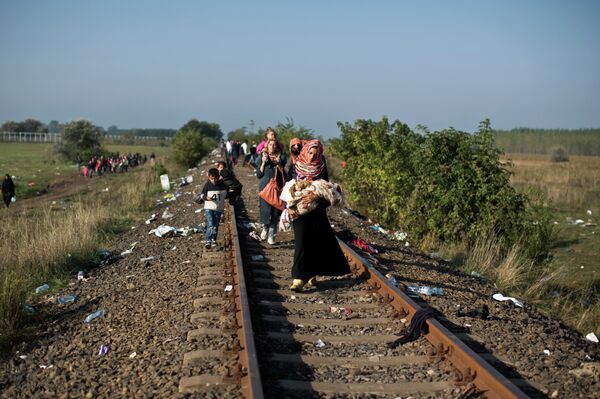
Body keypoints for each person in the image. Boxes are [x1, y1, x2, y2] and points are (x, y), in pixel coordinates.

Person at [288, 140, 349, 291]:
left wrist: (316, 197)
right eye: (310, 153)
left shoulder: (321, 168)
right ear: (305, 152)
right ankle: (297, 278)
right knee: (301, 241)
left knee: (314, 242)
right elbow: (287, 188)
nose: (312, 157)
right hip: (299, 211)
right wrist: (288, 207)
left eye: (315, 154)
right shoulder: (295, 167)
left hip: (316, 211)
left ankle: (311, 273)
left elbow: (328, 191)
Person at [257, 139, 286, 245]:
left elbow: (283, 172)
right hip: (265, 188)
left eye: (274, 144)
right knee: (265, 211)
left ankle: (271, 235)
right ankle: (265, 227)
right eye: (270, 144)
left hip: (277, 188)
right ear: (267, 146)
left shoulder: (281, 157)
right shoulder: (262, 157)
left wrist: (279, 163)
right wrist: (263, 163)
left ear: (277, 146)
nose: (272, 146)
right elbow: (259, 175)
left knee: (275, 212)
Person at [199, 168, 227, 249]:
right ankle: (208, 240)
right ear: (209, 178)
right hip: (209, 207)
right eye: (212, 179)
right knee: (210, 224)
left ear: (218, 177)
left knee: (215, 225)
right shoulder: (207, 185)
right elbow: (202, 195)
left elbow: (227, 192)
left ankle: (213, 239)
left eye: (215, 178)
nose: (214, 180)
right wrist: (206, 198)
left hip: (218, 208)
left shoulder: (222, 184)